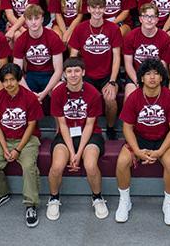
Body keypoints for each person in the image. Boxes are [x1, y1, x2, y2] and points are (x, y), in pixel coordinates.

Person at [115, 58, 170, 225]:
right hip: (140, 138)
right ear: (142, 78)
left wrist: (160, 151)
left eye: (156, 73)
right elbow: (127, 128)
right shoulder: (134, 97)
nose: (152, 77)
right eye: (148, 74)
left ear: (161, 78)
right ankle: (125, 201)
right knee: (122, 162)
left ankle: (168, 202)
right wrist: (137, 151)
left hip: (162, 139)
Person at [47, 57, 107, 221]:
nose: (73, 75)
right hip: (66, 135)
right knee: (57, 166)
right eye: (69, 71)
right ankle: (54, 198)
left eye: (77, 71)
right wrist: (72, 151)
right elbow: (63, 125)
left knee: (90, 164)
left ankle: (97, 197)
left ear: (83, 72)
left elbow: (89, 125)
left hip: (90, 135)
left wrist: (78, 153)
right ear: (64, 74)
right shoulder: (58, 92)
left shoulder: (93, 93)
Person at [0, 63, 44, 227]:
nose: (9, 84)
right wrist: (5, 148)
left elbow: (31, 125)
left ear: (18, 80)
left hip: (27, 139)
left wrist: (18, 149)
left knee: (28, 166)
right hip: (5, 138)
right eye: (5, 80)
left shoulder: (29, 97)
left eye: (12, 79)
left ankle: (31, 204)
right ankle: (1, 194)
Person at [69, 0, 124, 139]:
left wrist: (112, 81)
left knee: (110, 98)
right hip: (86, 75)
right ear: (89, 9)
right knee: (80, 99)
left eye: (100, 8)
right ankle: (82, 128)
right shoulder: (80, 29)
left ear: (105, 9)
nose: (97, 11)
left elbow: (117, 56)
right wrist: (74, 77)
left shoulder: (113, 28)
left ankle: (110, 127)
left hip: (107, 74)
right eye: (94, 8)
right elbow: (73, 56)